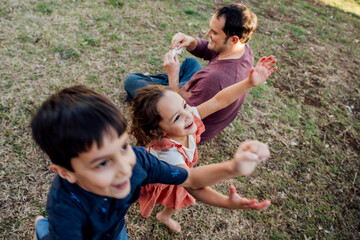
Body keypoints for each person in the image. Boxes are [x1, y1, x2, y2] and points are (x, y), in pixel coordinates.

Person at [31, 85, 271, 240]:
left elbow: (191, 179)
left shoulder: (139, 161)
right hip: (72, 233)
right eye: (102, 163)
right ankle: (42, 227)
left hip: (114, 228)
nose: (125, 168)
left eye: (123, 147)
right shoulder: (65, 209)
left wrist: (233, 167)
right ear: (66, 173)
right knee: (48, 233)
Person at [131, 56, 276, 232]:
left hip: (184, 172)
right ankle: (164, 215)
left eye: (184, 105)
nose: (188, 115)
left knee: (179, 197)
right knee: (178, 194)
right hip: (169, 177)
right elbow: (192, 182)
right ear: (158, 131)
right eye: (176, 117)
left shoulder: (187, 116)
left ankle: (164, 215)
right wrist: (227, 197)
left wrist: (248, 83)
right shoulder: (168, 155)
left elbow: (218, 101)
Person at [124, 3, 259, 142]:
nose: (208, 34)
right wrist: (190, 41)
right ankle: (161, 86)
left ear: (233, 40)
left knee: (132, 81)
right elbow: (210, 50)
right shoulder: (243, 49)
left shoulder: (216, 79)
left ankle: (143, 98)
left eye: (214, 32)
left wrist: (172, 75)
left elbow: (182, 111)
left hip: (189, 126)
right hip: (197, 91)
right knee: (191, 62)